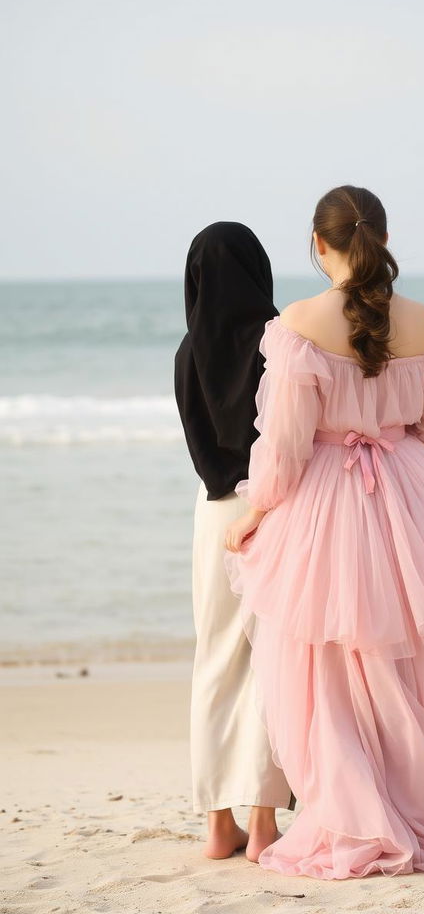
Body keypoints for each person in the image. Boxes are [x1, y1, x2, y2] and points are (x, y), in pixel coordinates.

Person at [223, 186, 424, 879]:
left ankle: (350, 814)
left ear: (319, 244)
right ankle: (411, 807)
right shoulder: (422, 320)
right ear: (383, 237)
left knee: (328, 667)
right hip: (401, 495)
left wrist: (253, 514)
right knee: (403, 663)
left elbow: (280, 448)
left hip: (325, 500)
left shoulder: (301, 322)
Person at [174, 221, 295, 863]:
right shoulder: (278, 342)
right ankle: (264, 823)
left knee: (214, 660)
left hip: (211, 513)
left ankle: (218, 826)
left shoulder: (186, 352)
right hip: (271, 508)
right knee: (273, 662)